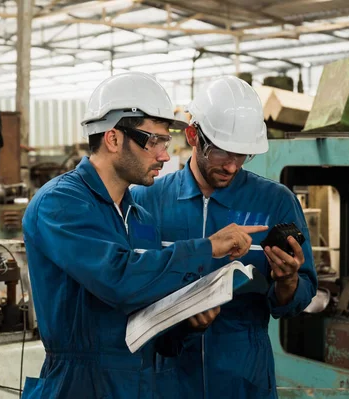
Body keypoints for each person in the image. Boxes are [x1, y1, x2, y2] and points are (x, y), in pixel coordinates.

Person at [20, 72, 267, 399]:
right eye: (154, 141)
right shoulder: (60, 203)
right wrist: (208, 248)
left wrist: (188, 324)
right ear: (113, 139)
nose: (165, 156)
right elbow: (118, 278)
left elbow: (149, 312)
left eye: (165, 143)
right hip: (80, 385)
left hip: (140, 384)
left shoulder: (141, 218)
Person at [131, 75, 318, 399]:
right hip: (169, 375)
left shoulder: (275, 202)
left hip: (243, 375)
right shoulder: (149, 200)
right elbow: (133, 281)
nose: (232, 166)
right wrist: (182, 316)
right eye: (222, 152)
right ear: (193, 135)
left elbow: (301, 291)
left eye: (242, 155)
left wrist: (288, 282)